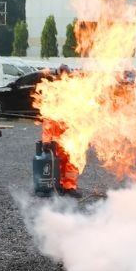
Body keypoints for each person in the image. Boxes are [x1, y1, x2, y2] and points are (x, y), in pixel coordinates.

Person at [40, 64, 79, 196]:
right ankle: (61, 185)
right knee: (59, 163)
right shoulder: (52, 93)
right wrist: (46, 140)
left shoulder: (75, 92)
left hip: (72, 135)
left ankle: (70, 187)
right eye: (62, 75)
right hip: (58, 138)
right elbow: (48, 120)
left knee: (72, 162)